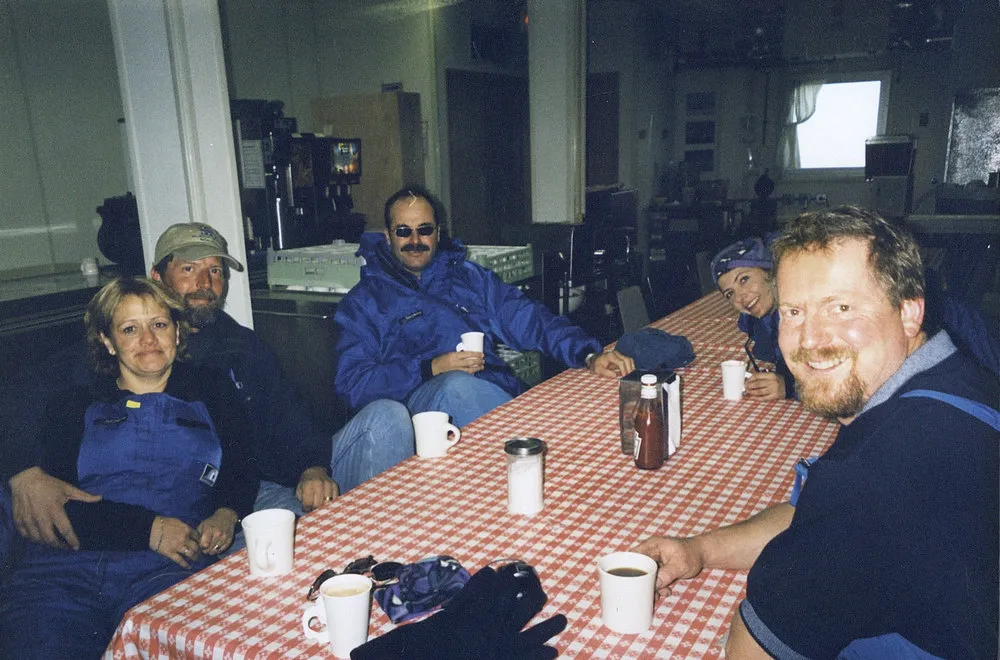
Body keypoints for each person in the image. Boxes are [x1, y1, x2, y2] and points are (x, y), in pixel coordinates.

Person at [637, 207, 998, 659]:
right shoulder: (961, 380)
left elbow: (754, 649)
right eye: (793, 311)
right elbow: (813, 519)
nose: (810, 339)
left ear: (909, 312)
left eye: (841, 307)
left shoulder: (871, 478)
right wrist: (698, 552)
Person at [0, 222, 413, 564]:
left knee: (388, 418)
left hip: (262, 479)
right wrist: (24, 472)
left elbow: (289, 416)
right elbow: (18, 394)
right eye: (190, 269)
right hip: (195, 498)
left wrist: (311, 468)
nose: (205, 283)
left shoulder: (243, 346)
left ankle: (393, 548)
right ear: (158, 277)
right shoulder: (124, 348)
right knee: (293, 539)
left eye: (216, 271)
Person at [0, 278, 257, 658]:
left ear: (177, 331)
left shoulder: (213, 390)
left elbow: (242, 465)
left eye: (159, 324)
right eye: (129, 329)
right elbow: (56, 506)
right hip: (64, 572)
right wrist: (148, 529)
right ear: (108, 341)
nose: (148, 340)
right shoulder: (74, 406)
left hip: (165, 571)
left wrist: (226, 512)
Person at [333, 186, 635, 427]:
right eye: (403, 231)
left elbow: (529, 319)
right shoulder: (364, 302)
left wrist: (588, 354)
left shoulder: (469, 278)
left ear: (438, 232)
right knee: (456, 387)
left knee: (581, 403)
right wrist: (430, 368)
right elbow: (353, 384)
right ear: (387, 237)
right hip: (419, 415)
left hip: (489, 397)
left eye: (424, 230)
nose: (415, 240)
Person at [710, 236, 794, 401]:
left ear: (770, 272)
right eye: (730, 294)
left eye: (744, 279)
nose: (740, 298)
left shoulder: (805, 315)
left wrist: (790, 387)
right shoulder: (763, 318)